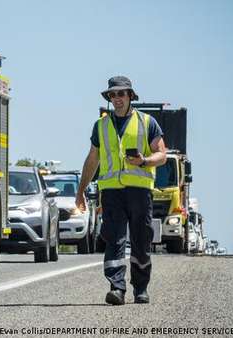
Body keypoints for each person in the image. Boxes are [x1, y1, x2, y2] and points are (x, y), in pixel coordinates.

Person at [75, 76, 167, 305]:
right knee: (114, 239)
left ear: (130, 96)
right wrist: (81, 190)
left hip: (139, 192)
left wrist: (144, 161)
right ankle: (117, 287)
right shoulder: (101, 125)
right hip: (112, 193)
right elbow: (92, 159)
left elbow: (162, 155)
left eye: (121, 94)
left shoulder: (147, 122)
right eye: (112, 95)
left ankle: (141, 288)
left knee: (140, 240)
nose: (116, 98)